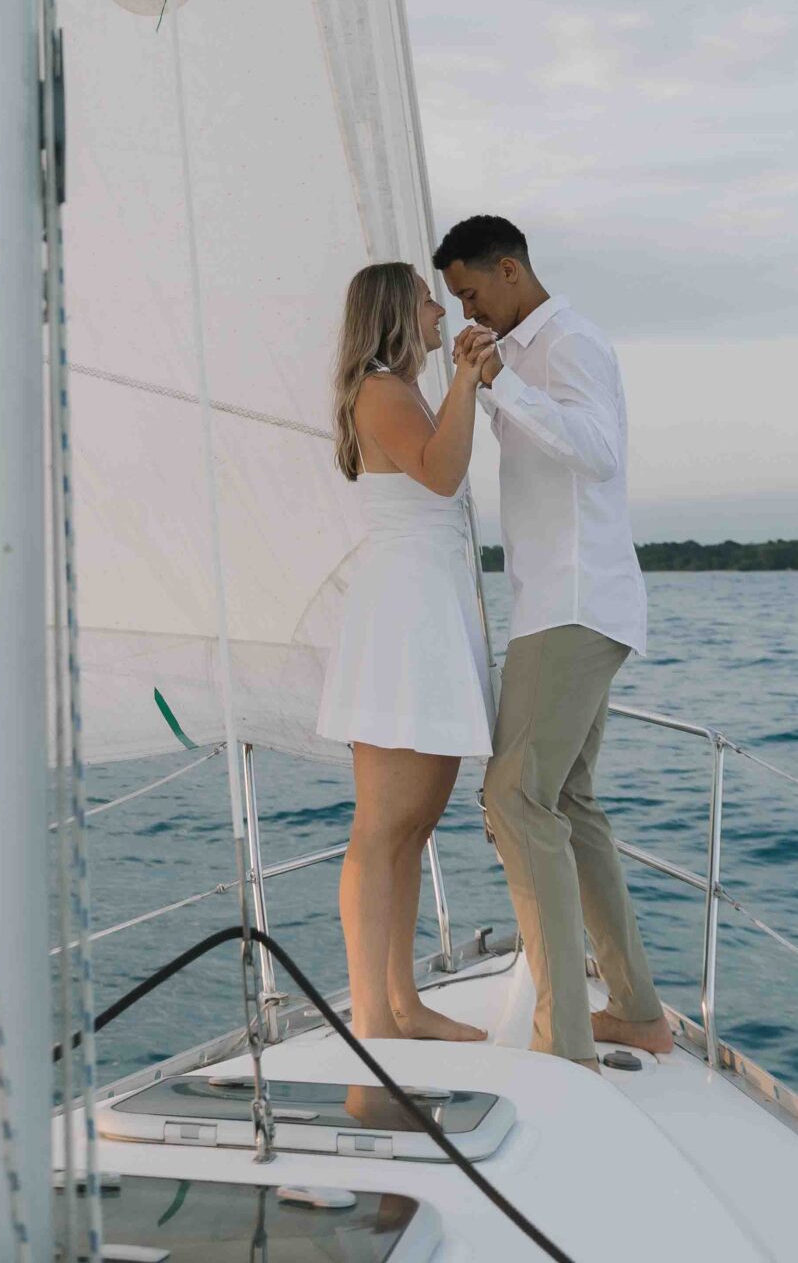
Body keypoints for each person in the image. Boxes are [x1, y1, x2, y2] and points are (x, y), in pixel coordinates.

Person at [432, 213, 672, 1067]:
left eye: (468, 293)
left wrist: (505, 383)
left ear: (507, 270)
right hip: (558, 604)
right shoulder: (520, 353)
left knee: (514, 799)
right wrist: (488, 382)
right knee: (564, 803)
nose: (467, 310)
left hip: (572, 605)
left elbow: (599, 455)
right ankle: (637, 1012)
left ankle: (563, 1040)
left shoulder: (565, 343)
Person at [317, 260, 495, 1041]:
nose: (439, 308)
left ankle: (402, 1002)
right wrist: (465, 379)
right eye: (428, 298)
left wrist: (457, 385)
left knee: (413, 825)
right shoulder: (383, 390)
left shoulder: (402, 390)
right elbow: (440, 473)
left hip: (426, 610)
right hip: (403, 621)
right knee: (382, 828)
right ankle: (374, 1019)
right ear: (398, 309)